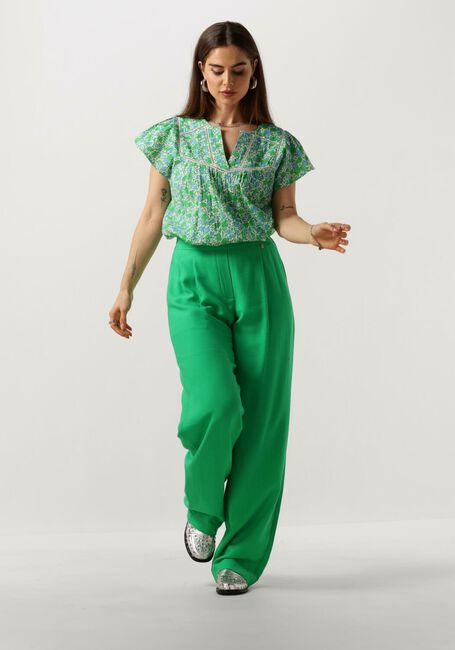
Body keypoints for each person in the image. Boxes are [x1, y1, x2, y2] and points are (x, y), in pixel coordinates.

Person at [109, 21, 350, 596]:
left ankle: (239, 556)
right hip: (192, 279)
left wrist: (313, 234)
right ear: (201, 71)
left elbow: (284, 217)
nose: (227, 81)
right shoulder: (173, 136)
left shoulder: (278, 144)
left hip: (258, 278)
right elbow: (152, 214)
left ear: (254, 72)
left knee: (262, 423)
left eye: (238, 70)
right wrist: (125, 287)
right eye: (216, 70)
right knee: (216, 404)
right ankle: (202, 508)